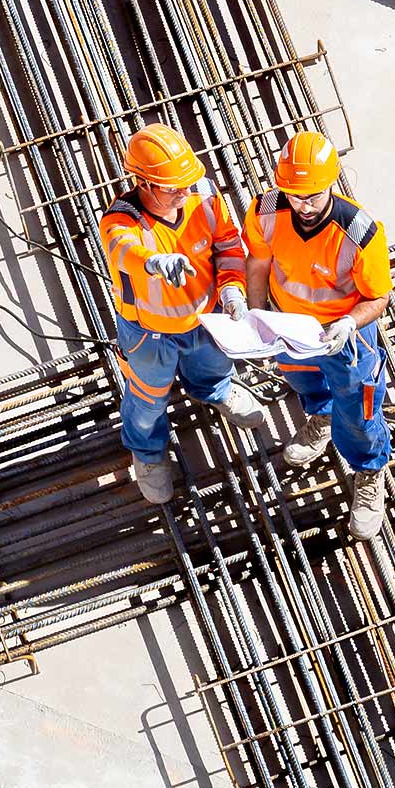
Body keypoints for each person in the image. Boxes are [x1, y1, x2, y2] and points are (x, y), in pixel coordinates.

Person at [101, 123, 267, 504]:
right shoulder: (121, 220)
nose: (185, 192)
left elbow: (227, 245)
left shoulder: (204, 197)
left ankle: (217, 391)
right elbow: (123, 250)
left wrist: (231, 289)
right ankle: (147, 453)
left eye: (189, 182)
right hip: (150, 334)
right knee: (146, 401)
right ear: (144, 183)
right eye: (173, 187)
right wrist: (154, 261)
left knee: (214, 368)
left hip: (206, 320)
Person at [243, 131, 394, 539]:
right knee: (303, 379)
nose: (302, 205)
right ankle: (322, 416)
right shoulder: (266, 210)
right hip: (290, 328)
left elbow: (378, 297)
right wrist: (258, 314)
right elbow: (258, 262)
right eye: (294, 194)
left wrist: (348, 323)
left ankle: (369, 470)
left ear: (330, 184)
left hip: (346, 339)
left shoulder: (361, 232)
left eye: (311, 196)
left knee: (361, 410)